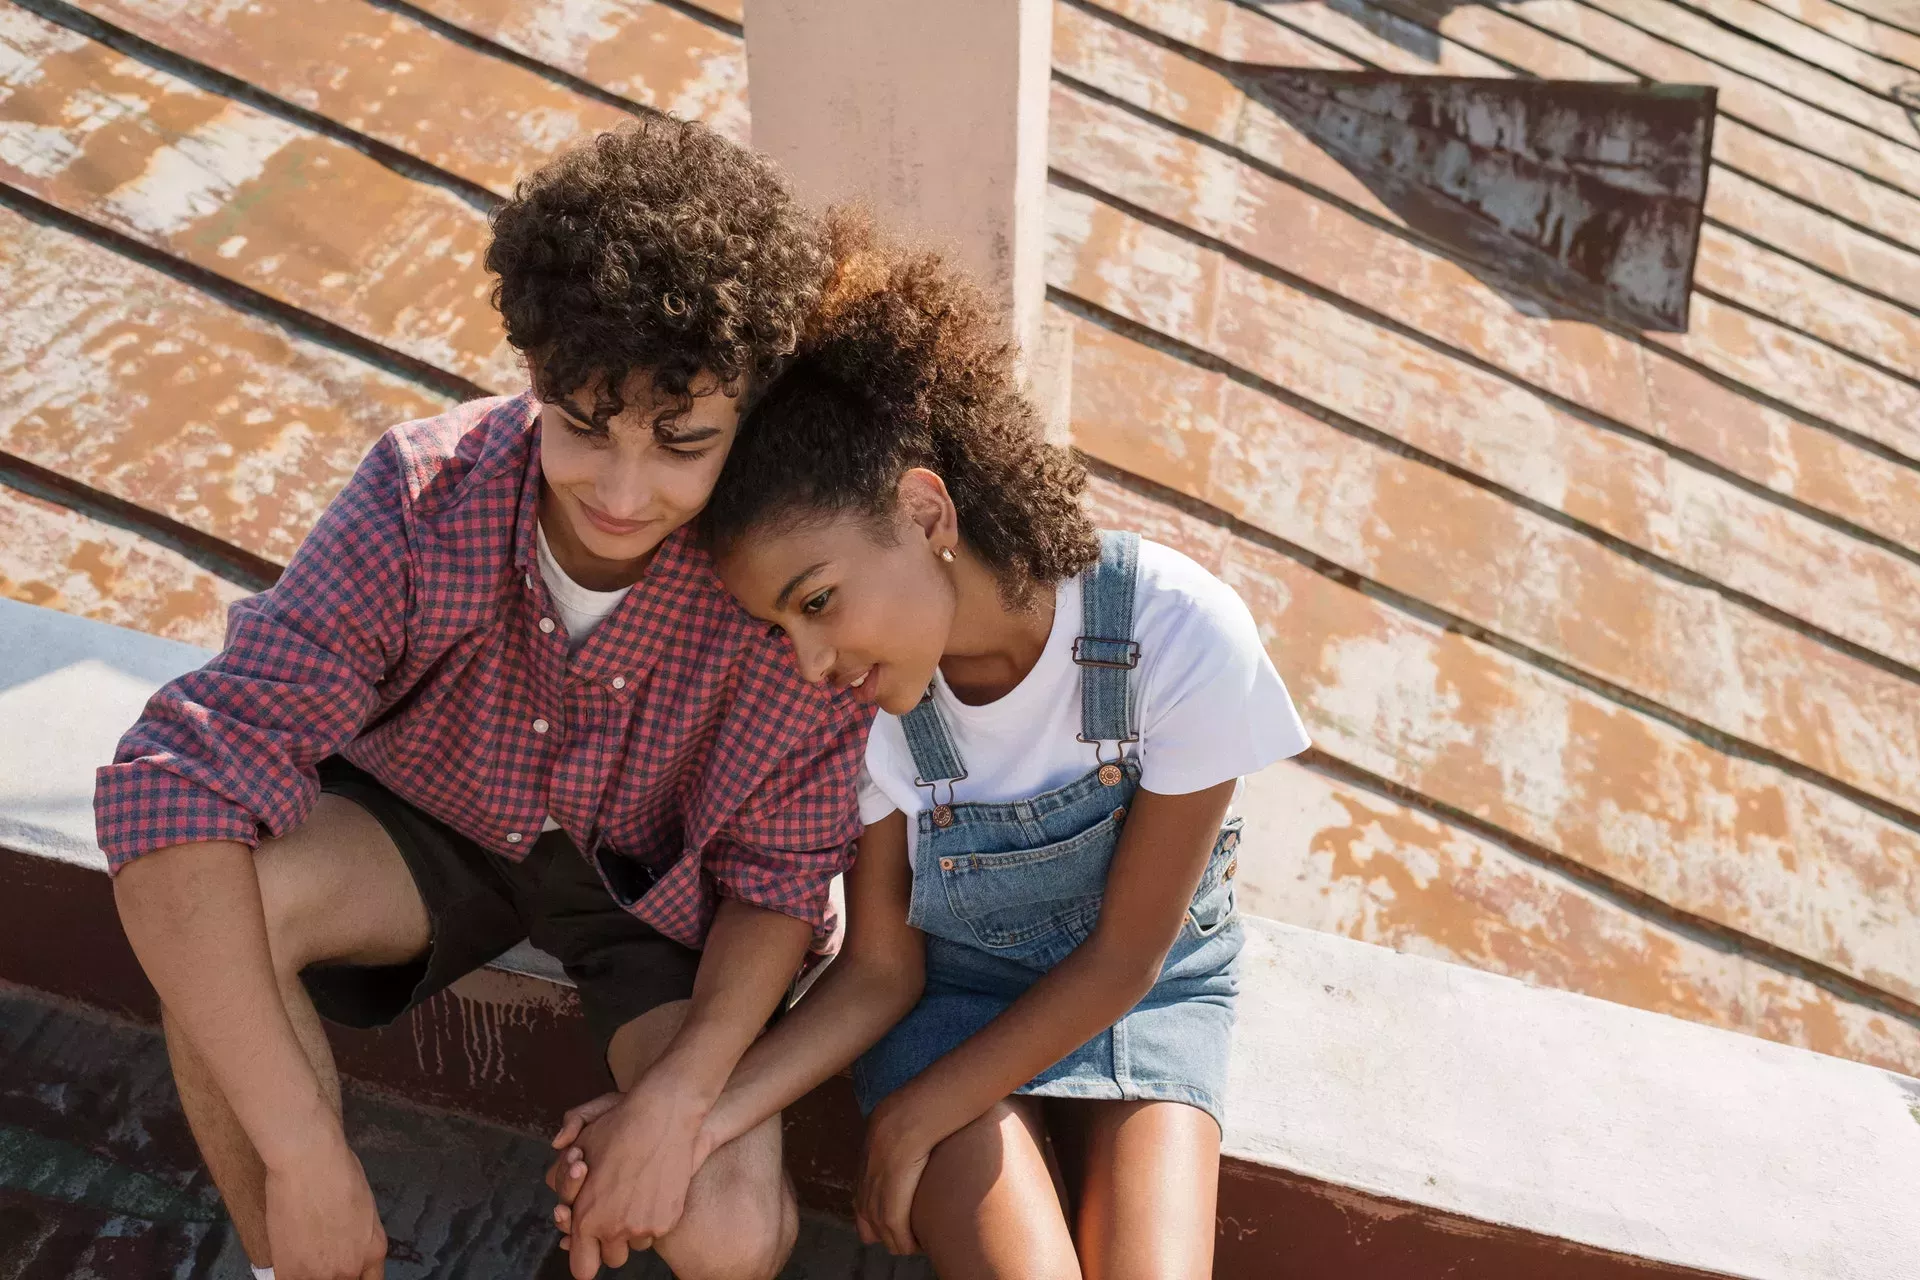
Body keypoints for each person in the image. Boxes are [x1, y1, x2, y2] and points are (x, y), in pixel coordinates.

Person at [95, 118, 867, 1280]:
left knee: (732, 1227)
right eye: (581, 422)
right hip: (425, 822)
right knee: (223, 914)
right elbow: (177, 787)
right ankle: (290, 1261)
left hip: (655, 901)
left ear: (748, 410)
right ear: (535, 373)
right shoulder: (424, 492)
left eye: (682, 442)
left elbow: (776, 882)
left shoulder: (789, 569)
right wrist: (306, 1154)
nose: (620, 486)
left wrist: (679, 1102)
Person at [552, 220, 1310, 1278]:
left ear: (923, 505)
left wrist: (917, 1120)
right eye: (783, 626)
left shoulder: (1176, 634)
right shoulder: (860, 715)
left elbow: (1130, 956)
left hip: (1150, 995)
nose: (811, 658)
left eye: (819, 600)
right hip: (948, 1006)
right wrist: (684, 1121)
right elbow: (877, 970)